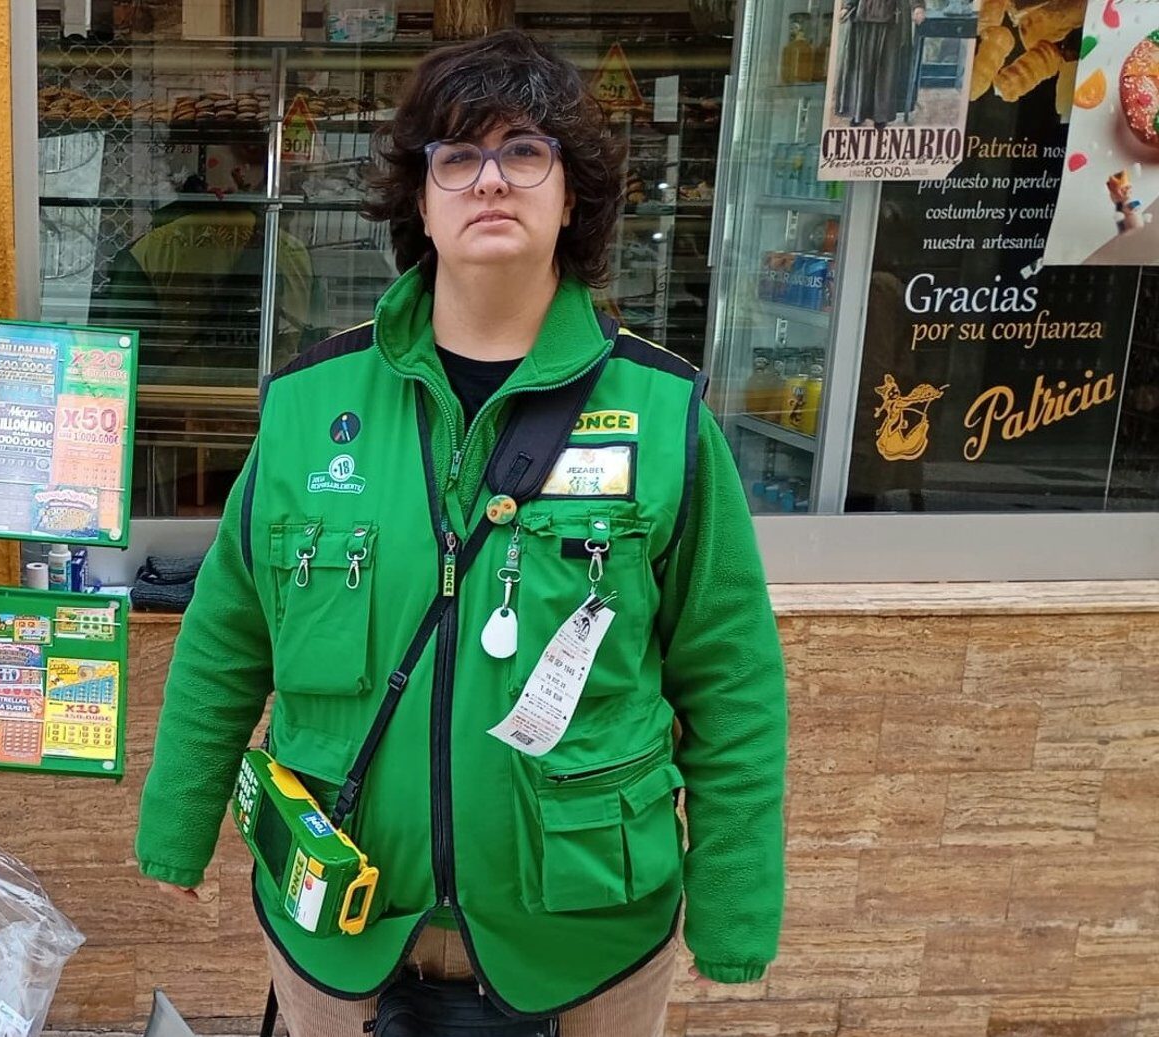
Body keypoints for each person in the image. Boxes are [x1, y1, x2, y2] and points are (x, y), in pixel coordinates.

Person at [133, 28, 787, 1037]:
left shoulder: (663, 415)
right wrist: (178, 822)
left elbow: (730, 674)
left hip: (586, 937)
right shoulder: (312, 404)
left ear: (572, 195)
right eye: (458, 155)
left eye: (525, 151)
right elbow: (228, 631)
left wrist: (736, 903)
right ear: (420, 198)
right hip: (340, 925)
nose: (491, 179)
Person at [835, 0, 928, 129]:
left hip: (891, 20)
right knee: (862, 69)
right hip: (863, 19)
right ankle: (858, 113)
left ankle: (881, 116)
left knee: (886, 71)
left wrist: (918, 7)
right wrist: (847, 6)